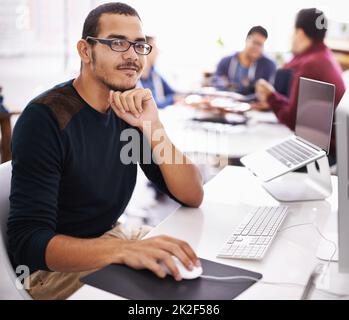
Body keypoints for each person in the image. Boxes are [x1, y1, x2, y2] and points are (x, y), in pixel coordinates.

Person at [7, 2, 204, 300]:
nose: (132, 56)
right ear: (86, 51)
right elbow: (29, 243)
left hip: (112, 237)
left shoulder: (128, 107)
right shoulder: (45, 118)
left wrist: (154, 127)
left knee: (195, 271)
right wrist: (123, 250)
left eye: (139, 45)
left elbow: (192, 194)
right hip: (49, 272)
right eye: (117, 43)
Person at [254, 8, 346, 164]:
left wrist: (270, 96)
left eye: (293, 32)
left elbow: (294, 120)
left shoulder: (311, 65)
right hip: (330, 147)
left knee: (256, 157)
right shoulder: (324, 57)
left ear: (300, 33)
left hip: (324, 154)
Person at [213, 26, 276, 95]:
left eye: (260, 45)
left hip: (252, 104)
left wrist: (251, 87)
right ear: (246, 40)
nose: (257, 48)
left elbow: (268, 92)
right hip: (225, 101)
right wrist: (224, 84)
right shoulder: (226, 61)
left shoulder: (269, 65)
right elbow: (216, 79)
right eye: (255, 43)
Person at [139, 36, 182, 109]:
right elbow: (151, 106)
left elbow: (173, 93)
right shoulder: (134, 79)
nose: (158, 51)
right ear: (144, 50)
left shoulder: (155, 75)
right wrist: (172, 99)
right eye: (154, 47)